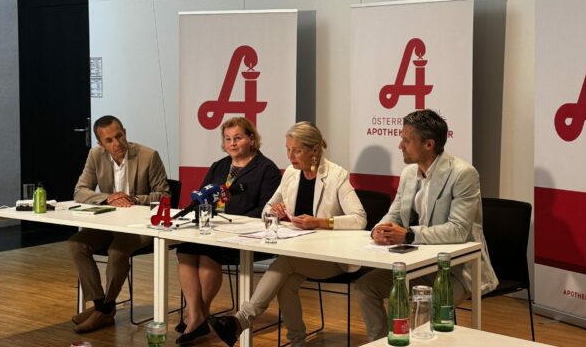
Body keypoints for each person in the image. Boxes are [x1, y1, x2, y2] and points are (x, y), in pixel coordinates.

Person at [208, 121, 367, 347]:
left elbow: (359, 218)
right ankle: (296, 341)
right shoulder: (291, 173)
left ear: (314, 150)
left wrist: (321, 222)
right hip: (299, 250)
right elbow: (265, 210)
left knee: (286, 263)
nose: (291, 156)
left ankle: (242, 319)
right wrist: (274, 211)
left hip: (331, 257)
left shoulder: (336, 175)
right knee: (286, 285)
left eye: (297, 150)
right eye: (288, 149)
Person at [354, 109, 499, 341]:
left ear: (429, 144)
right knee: (364, 287)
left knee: (421, 316)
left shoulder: (463, 174)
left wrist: (408, 235)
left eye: (406, 140)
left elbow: (458, 230)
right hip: (419, 263)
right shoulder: (409, 173)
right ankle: (381, 342)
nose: (400, 146)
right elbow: (394, 215)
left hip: (456, 270)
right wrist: (378, 230)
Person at [174, 117, 281, 345]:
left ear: (251, 139)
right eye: (228, 139)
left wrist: (234, 221)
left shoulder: (266, 169)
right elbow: (202, 196)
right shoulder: (219, 166)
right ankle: (196, 315)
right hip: (214, 230)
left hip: (246, 236)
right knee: (184, 250)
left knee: (207, 254)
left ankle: (196, 318)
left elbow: (267, 209)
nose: (232, 143)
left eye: (238, 138)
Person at [68, 115, 170, 333]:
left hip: (141, 226)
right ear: (100, 144)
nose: (117, 143)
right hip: (109, 224)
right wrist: (108, 197)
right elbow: (80, 191)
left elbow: (164, 196)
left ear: (125, 131)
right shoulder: (95, 155)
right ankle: (101, 305)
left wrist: (133, 199)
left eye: (119, 136)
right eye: (109, 140)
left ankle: (104, 310)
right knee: (76, 244)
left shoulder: (148, 156)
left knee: (117, 250)